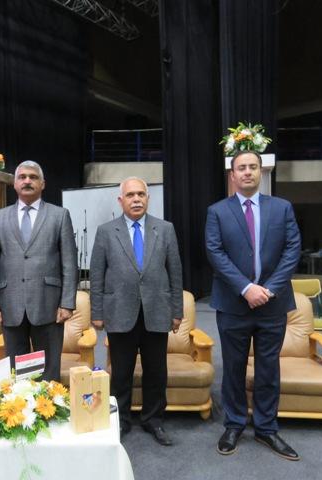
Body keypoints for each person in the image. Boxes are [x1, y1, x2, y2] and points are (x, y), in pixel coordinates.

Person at [205, 150, 301, 460]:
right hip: (233, 304)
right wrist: (246, 288)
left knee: (268, 368)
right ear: (232, 175)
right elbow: (215, 253)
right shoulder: (217, 212)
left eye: (253, 167)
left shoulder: (282, 208)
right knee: (233, 367)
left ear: (261, 172)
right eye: (241, 168)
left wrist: (268, 290)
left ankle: (266, 428)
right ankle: (233, 424)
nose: (247, 172)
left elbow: (292, 251)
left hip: (272, 305)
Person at [90, 177, 183, 446]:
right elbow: (96, 274)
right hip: (119, 312)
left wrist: (176, 311)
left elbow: (175, 272)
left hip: (157, 311)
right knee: (121, 373)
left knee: (156, 371)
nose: (136, 199)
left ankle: (154, 420)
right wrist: (97, 312)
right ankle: (121, 421)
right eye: (130, 195)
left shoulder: (165, 229)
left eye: (141, 194)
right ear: (121, 200)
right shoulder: (106, 231)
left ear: (148, 198)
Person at [0, 160, 78, 382]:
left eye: (33, 177)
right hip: (10, 305)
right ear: (14, 184)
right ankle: (23, 404)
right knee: (18, 373)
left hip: (49, 304)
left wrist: (67, 303)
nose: (27, 181)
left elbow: (69, 263)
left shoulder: (59, 215)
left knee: (49, 371)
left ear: (42, 184)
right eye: (22, 177)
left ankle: (49, 404)